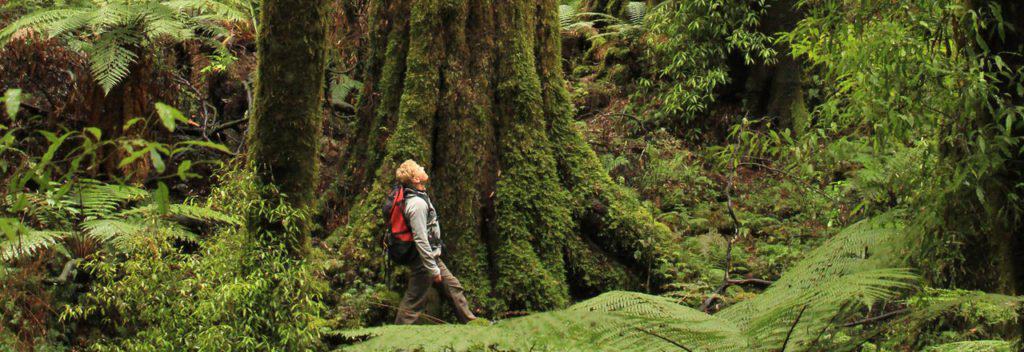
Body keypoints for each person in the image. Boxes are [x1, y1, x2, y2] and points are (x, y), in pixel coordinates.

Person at [393, 159, 477, 324]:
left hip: (431, 258)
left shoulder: (419, 195)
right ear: (416, 179)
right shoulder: (416, 204)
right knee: (413, 302)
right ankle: (396, 338)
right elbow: (421, 239)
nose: (423, 168)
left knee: (453, 288)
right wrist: (432, 268)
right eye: (419, 168)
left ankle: (473, 324)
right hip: (424, 261)